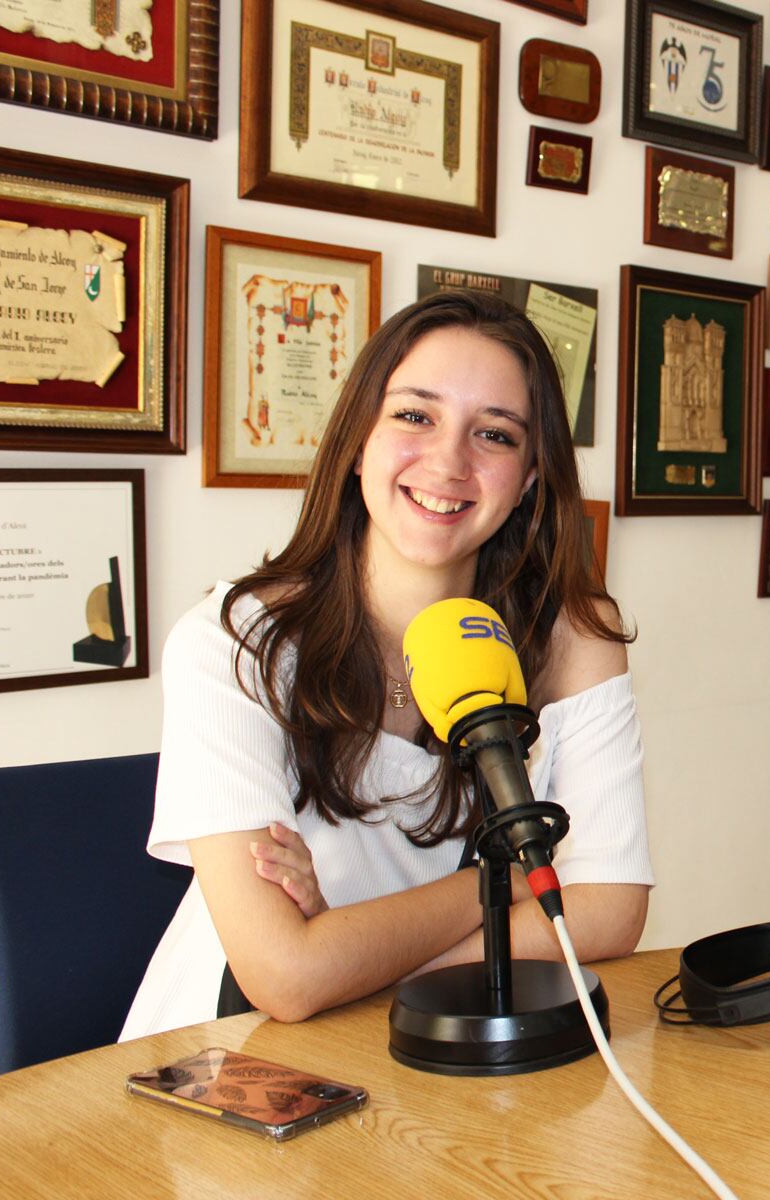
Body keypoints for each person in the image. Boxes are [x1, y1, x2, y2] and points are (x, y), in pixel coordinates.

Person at [122, 290, 651, 1039]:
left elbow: (612, 910)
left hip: (436, 1038)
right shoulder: (237, 641)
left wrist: (343, 950)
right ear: (357, 440)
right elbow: (283, 976)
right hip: (234, 1047)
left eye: (494, 434)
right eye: (414, 416)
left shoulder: (574, 640)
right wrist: (509, 883)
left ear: (531, 476)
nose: (449, 462)